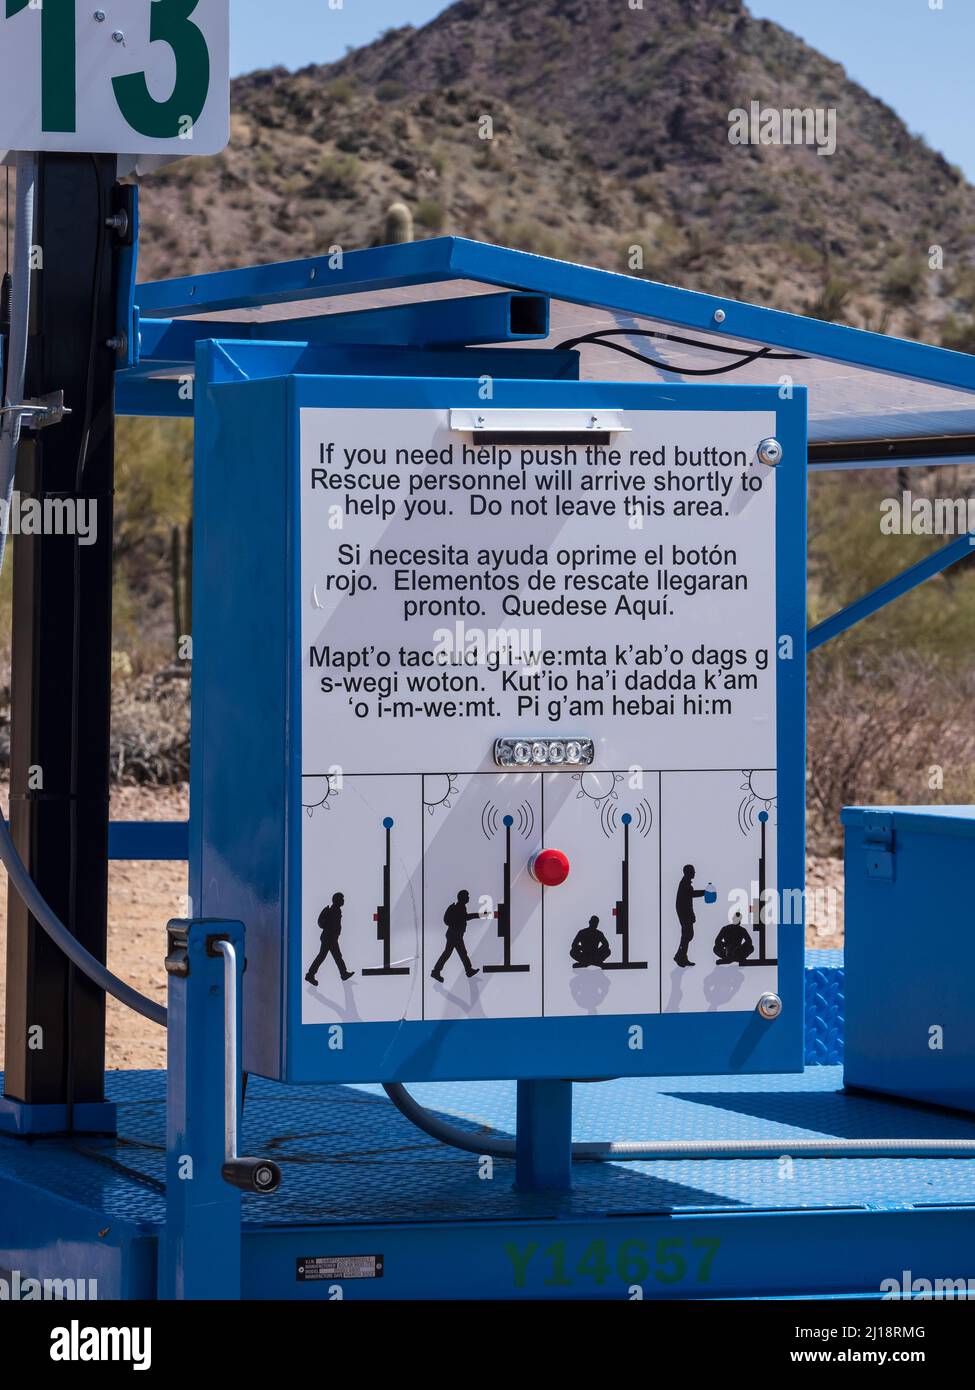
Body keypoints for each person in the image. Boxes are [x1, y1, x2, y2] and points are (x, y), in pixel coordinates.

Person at [431, 889, 481, 982]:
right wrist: (478, 915)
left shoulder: (461, 906)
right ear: (463, 898)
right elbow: (465, 917)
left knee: (459, 953)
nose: (468, 897)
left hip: (455, 934)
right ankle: (436, 971)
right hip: (454, 935)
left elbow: (463, 918)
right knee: (452, 953)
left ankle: (468, 970)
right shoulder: (459, 907)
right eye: (467, 896)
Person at [305, 891, 354, 984]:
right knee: (325, 956)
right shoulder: (335, 910)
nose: (343, 901)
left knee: (334, 956)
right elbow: (333, 926)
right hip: (329, 938)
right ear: (337, 900)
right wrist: (335, 935)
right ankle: (310, 975)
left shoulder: (335, 909)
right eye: (341, 899)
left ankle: (343, 973)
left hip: (330, 938)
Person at [674, 864, 709, 968]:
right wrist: (705, 892)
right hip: (684, 913)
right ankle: (680, 957)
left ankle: (681, 956)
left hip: (685, 913)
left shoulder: (685, 883)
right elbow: (691, 894)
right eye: (693, 871)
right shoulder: (685, 883)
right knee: (687, 935)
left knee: (687, 935)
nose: (694, 873)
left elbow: (689, 897)